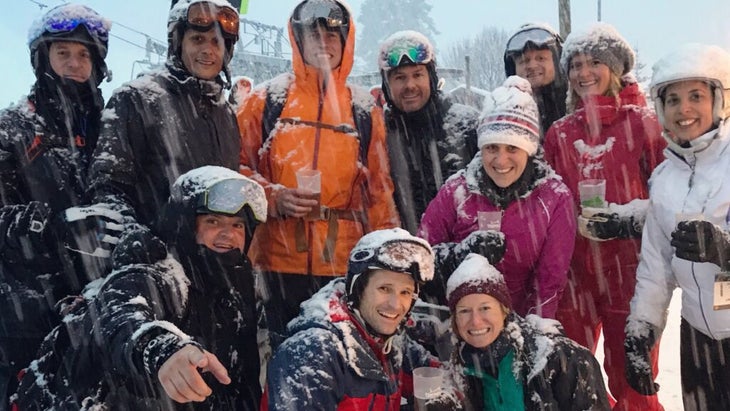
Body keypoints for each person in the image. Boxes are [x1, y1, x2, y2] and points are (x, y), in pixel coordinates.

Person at [16, 166, 266, 410]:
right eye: (213, 221)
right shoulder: (156, 274)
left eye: (238, 225)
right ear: (185, 224)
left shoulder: (236, 283)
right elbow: (120, 315)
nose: (228, 234)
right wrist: (160, 348)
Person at [237, 0, 399, 348]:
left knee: (339, 357)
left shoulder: (363, 110)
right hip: (277, 263)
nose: (323, 42)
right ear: (297, 40)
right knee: (284, 357)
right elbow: (234, 168)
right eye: (313, 34)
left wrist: (388, 260)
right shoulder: (267, 100)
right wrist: (272, 195)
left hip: (342, 262)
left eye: (332, 34)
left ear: (346, 41)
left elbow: (379, 192)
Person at [542, 23, 666, 410]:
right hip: (575, 274)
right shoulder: (560, 133)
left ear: (615, 67)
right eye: (575, 64)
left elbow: (668, 199)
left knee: (633, 379)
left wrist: (627, 220)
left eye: (594, 62)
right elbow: (548, 201)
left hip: (628, 271)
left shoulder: (645, 123)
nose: (583, 73)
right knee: (572, 373)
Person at [0, 4, 115, 408]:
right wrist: (50, 225)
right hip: (28, 300)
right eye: (63, 52)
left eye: (84, 54)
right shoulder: (13, 126)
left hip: (100, 290)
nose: (74, 63)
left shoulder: (111, 123)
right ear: (42, 58)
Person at [625, 44, 730, 410]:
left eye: (696, 96)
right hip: (698, 338)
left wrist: (726, 250)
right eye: (672, 100)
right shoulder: (664, 179)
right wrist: (642, 330)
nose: (683, 109)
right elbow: (656, 266)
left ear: (719, 101)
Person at [419, 76, 576, 317]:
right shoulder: (457, 191)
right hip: (463, 323)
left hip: (521, 322)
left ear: (529, 149)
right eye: (492, 148)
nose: (501, 161)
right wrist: (459, 253)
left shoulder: (554, 197)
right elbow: (422, 258)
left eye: (512, 148)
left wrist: (531, 334)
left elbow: (549, 281)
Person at [88, 0, 241, 231]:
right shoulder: (137, 99)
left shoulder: (226, 114)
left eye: (217, 42)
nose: (208, 50)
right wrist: (131, 236)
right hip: (154, 256)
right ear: (178, 43)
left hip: (209, 259)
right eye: (197, 39)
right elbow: (108, 186)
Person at [262, 228, 438, 409]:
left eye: (405, 292)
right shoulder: (312, 353)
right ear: (358, 290)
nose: (395, 305)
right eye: (384, 288)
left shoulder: (393, 343)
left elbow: (441, 376)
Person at [445, 253, 610, 410]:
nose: (475, 321)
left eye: (485, 308)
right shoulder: (462, 366)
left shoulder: (564, 360)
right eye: (464, 311)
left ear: (505, 311)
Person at [378, 30, 480, 234]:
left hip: (463, 250)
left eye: (417, 75)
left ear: (431, 78)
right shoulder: (378, 133)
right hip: (403, 251)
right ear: (387, 85)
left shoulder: (467, 125)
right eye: (399, 78)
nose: (410, 85)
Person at [503, 22, 567, 137]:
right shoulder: (505, 115)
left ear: (557, 63)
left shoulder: (574, 105)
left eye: (541, 58)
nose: (532, 65)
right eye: (524, 61)